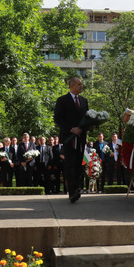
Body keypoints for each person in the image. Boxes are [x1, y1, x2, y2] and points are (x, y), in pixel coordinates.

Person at [54, 75, 89, 203]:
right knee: (69, 164)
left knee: (79, 164)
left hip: (81, 138)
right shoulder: (62, 100)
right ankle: (72, 191)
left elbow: (87, 117)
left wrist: (89, 126)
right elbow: (58, 118)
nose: (81, 86)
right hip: (69, 138)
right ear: (72, 85)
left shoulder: (84, 101)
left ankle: (79, 186)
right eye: (79, 84)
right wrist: (71, 129)